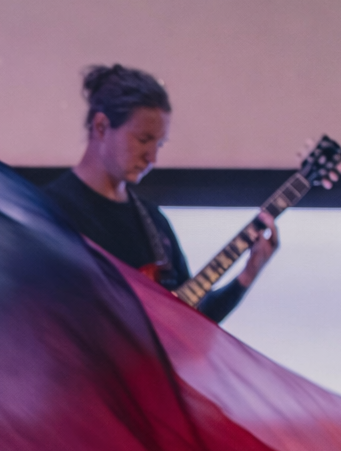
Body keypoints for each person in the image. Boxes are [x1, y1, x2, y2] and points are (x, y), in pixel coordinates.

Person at [41, 64, 278, 323]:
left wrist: (246, 276)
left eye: (159, 144)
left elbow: (190, 322)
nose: (152, 158)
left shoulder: (155, 223)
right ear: (101, 126)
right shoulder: (49, 212)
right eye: (143, 140)